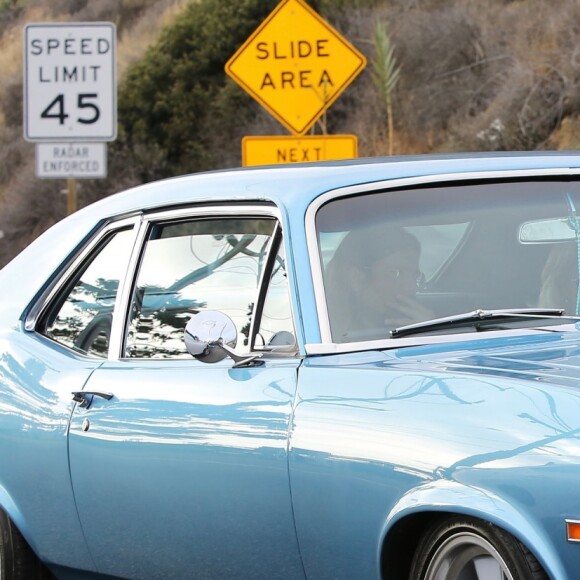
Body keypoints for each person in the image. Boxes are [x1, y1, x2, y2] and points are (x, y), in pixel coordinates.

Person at [324, 224, 432, 342]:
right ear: (356, 278)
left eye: (415, 275)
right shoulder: (326, 337)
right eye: (397, 273)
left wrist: (429, 333)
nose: (411, 288)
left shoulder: (418, 326)